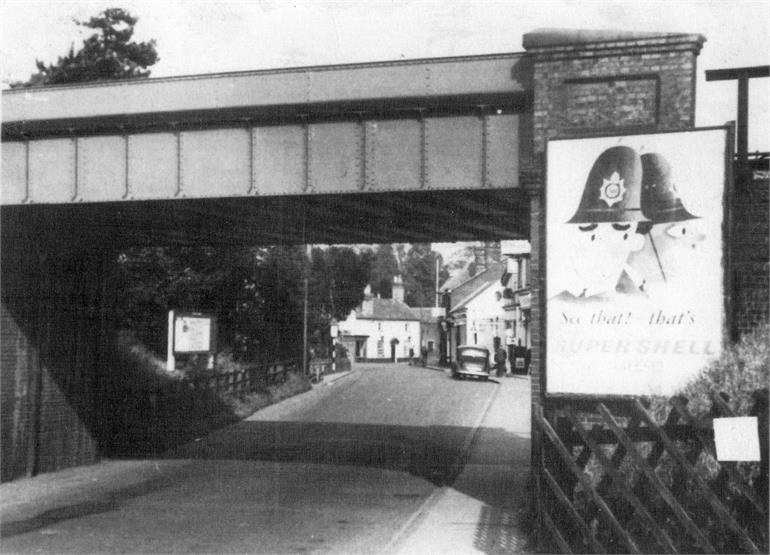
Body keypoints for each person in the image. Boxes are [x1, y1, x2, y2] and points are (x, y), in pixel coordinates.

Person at [551, 145, 651, 302]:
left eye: (619, 228)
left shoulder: (638, 301)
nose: (599, 240)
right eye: (587, 228)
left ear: (636, 241)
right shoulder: (560, 302)